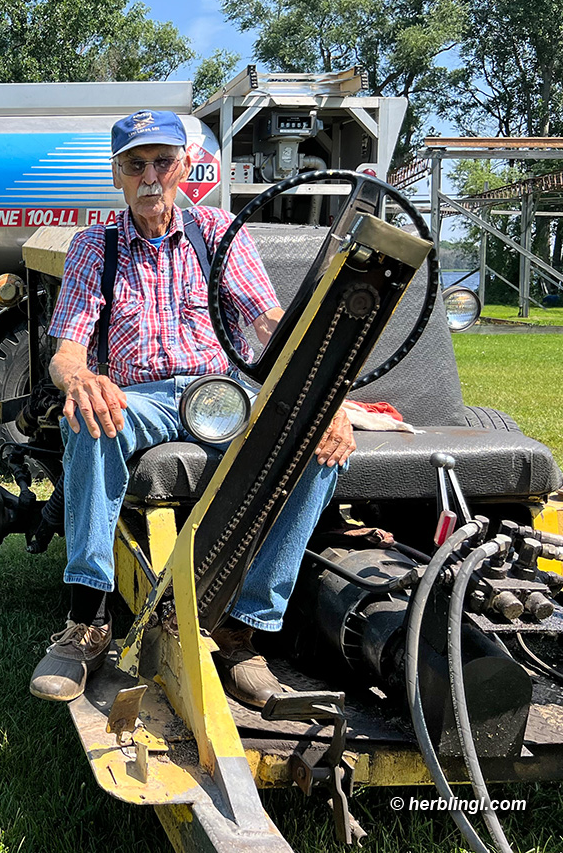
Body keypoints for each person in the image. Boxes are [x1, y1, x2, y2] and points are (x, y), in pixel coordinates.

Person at [28, 109, 355, 708]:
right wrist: (80, 381)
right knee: (88, 416)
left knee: (325, 448)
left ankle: (245, 627)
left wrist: (322, 395)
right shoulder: (92, 248)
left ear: (184, 166)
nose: (149, 175)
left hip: (221, 391)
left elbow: (269, 324)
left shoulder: (219, 231)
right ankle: (87, 620)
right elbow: (68, 350)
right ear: (117, 174)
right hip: (140, 397)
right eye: (135, 164)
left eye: (161, 161)